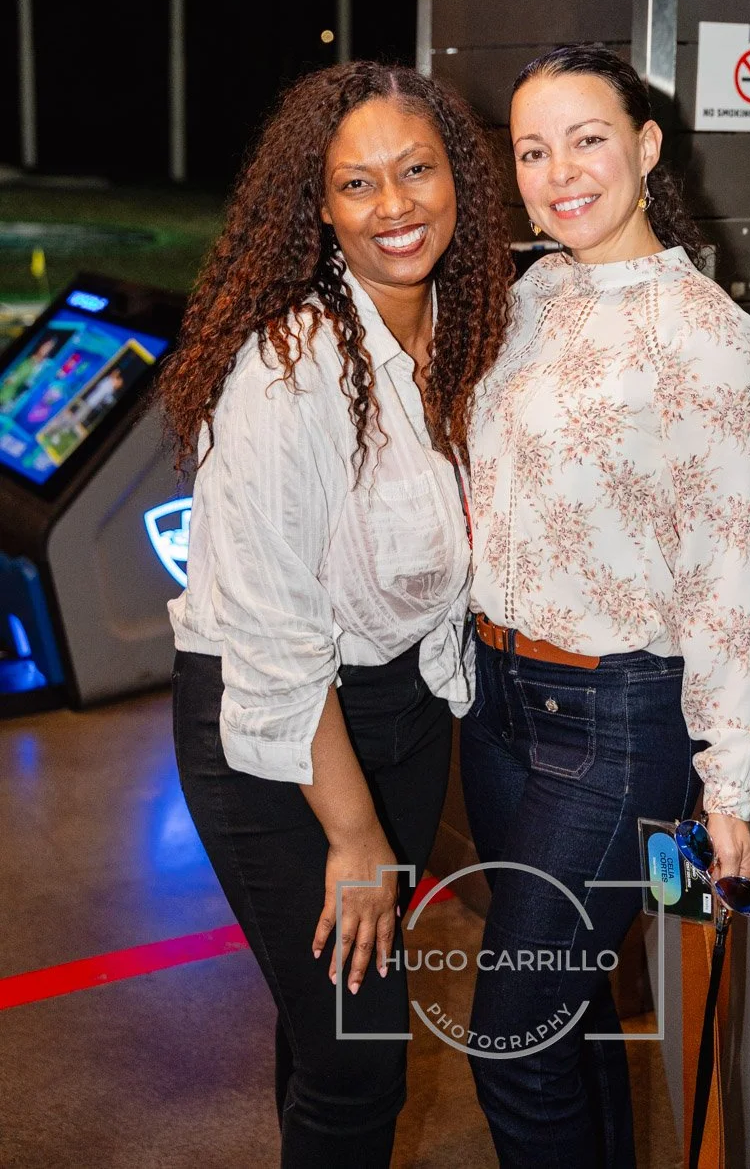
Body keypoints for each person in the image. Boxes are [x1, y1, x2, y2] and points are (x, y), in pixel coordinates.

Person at [161, 61, 511, 1168]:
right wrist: (354, 836)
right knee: (362, 1059)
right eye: (357, 184)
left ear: (459, 174)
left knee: (321, 1030)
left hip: (402, 711)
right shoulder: (286, 368)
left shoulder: (472, 328)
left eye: (417, 170)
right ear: (318, 206)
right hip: (274, 734)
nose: (395, 206)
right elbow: (274, 637)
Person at [462, 45, 750, 1168]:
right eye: (533, 150)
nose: (560, 173)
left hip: (613, 719)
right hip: (497, 702)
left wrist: (726, 783)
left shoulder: (706, 336)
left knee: (507, 1036)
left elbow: (725, 573)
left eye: (587, 140)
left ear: (646, 148)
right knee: (565, 1014)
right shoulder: (532, 290)